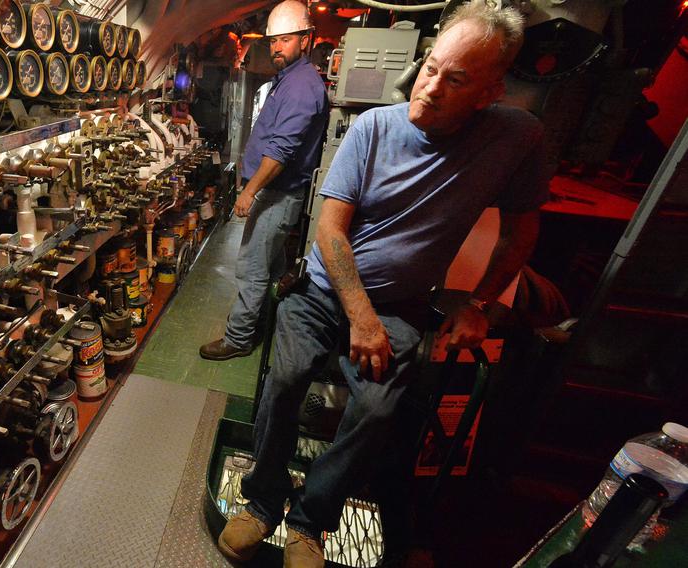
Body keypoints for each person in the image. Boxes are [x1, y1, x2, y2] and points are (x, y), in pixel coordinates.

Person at [216, 3, 550, 568]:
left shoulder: (516, 140)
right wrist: (359, 317)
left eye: (456, 79)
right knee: (286, 377)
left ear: (491, 92)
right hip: (323, 293)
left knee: (375, 409)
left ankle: (310, 520)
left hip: (399, 306)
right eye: (430, 68)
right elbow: (331, 229)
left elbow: (522, 228)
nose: (432, 87)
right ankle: (264, 498)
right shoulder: (374, 128)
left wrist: (480, 303)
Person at [199, 0, 329, 361]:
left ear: (305, 40)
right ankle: (270, 323)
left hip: (277, 194)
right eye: (273, 41)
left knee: (252, 269)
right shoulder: (288, 80)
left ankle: (239, 339)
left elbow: (282, 150)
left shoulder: (302, 86)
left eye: (285, 40)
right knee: (272, 268)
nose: (276, 47)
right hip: (274, 192)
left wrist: (249, 191)